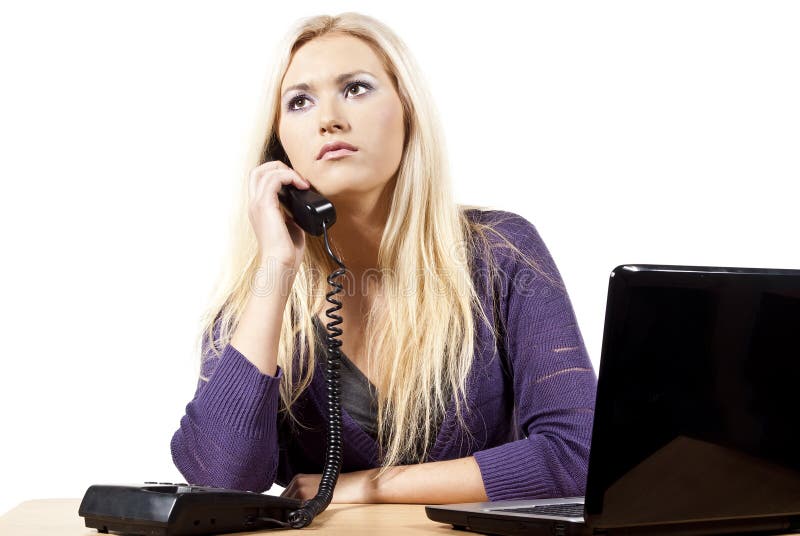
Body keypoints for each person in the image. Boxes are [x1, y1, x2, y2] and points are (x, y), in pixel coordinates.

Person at [170, 11, 597, 505]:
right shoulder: (257, 302)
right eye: (300, 101)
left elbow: (581, 456)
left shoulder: (500, 252)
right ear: (278, 148)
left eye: (356, 88)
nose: (329, 119)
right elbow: (220, 480)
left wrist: (368, 486)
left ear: (407, 112)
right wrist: (276, 269)